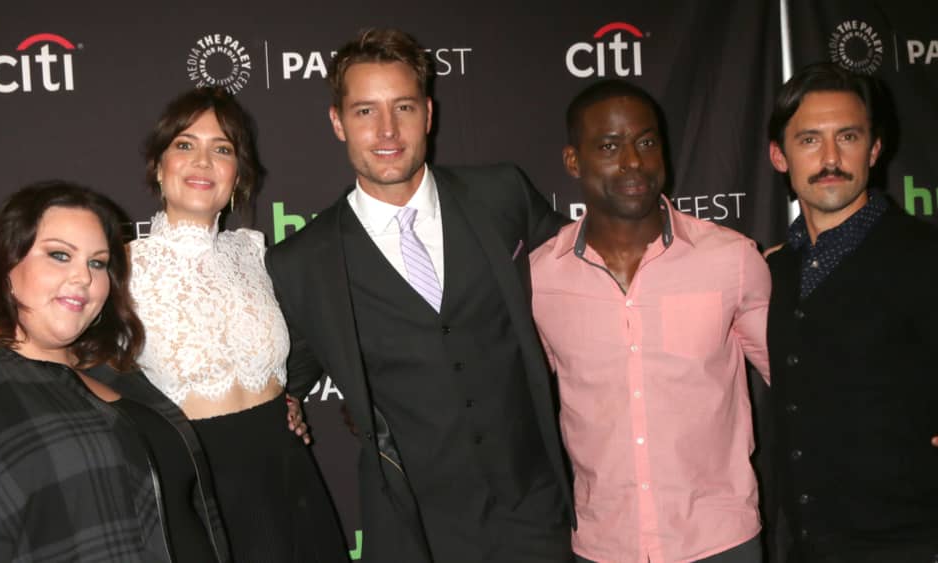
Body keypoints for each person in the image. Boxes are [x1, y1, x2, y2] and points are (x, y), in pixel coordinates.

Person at [267, 28, 574, 562]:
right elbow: (284, 373)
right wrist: (284, 403)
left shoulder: (502, 196)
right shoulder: (302, 261)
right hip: (414, 529)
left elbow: (585, 290)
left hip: (538, 512)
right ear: (338, 122)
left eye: (403, 107)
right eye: (365, 111)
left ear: (428, 114)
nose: (387, 130)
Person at [530, 79, 770, 563]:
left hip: (720, 541)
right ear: (573, 161)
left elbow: (800, 381)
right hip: (604, 544)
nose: (633, 162)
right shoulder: (541, 277)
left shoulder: (732, 260)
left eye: (645, 142)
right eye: (609, 146)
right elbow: (516, 403)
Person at [0, 181, 230, 562]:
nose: (83, 278)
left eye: (97, 263)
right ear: (5, 261)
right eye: (59, 255)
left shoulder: (114, 370)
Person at [130, 86, 347, 562]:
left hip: (289, 474)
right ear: (158, 166)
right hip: (199, 490)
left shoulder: (253, 253)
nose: (202, 161)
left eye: (222, 149)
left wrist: (289, 398)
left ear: (238, 174)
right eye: (185, 144)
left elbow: (303, 343)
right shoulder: (120, 270)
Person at [766, 62, 938, 562]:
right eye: (809, 140)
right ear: (779, 156)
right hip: (806, 547)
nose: (830, 158)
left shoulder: (924, 256)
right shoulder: (775, 271)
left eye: (848, 137)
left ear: (875, 149)